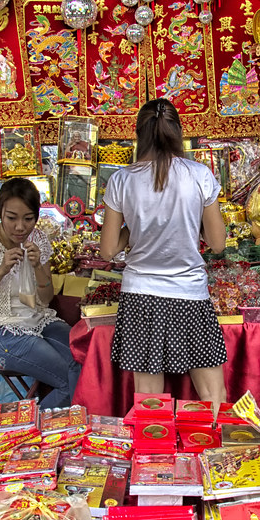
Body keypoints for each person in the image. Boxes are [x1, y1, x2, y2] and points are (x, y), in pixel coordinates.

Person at [100, 98, 228, 405]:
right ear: (178, 132)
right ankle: (215, 451)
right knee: (213, 395)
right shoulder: (199, 175)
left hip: (141, 296)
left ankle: (152, 453)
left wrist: (136, 224)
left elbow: (108, 250)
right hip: (191, 294)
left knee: (149, 402)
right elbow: (217, 243)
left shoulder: (122, 180)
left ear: (139, 135)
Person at [0, 177, 80, 410]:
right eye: (11, 218)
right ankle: (31, 431)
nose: (20, 227)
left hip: (38, 320)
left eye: (28, 219)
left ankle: (55, 430)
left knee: (84, 357)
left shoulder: (38, 240)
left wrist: (37, 267)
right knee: (69, 376)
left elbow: (45, 300)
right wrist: (0, 271)